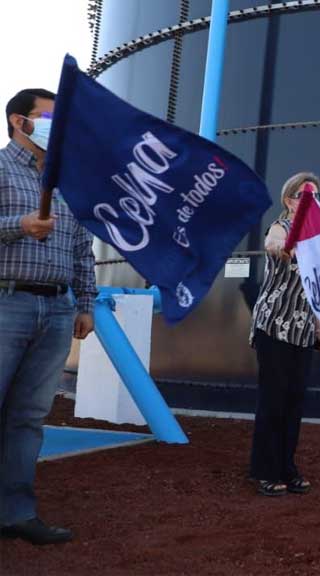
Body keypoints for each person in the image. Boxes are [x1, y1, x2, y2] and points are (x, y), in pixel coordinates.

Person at [1, 89, 97, 544]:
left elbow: (83, 250)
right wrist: (19, 225)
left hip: (58, 309)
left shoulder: (65, 184)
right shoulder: (0, 169)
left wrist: (85, 304)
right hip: (7, 303)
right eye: (48, 118)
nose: (58, 128)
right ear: (21, 122)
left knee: (29, 417)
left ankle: (16, 513)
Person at [249, 172, 320, 496]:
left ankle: (287, 467)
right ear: (288, 200)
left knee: (294, 401)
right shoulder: (281, 227)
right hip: (273, 326)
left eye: (314, 196)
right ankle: (265, 471)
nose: (308, 200)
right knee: (273, 400)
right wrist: (288, 247)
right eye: (301, 195)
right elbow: (272, 243)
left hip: (302, 329)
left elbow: (319, 292)